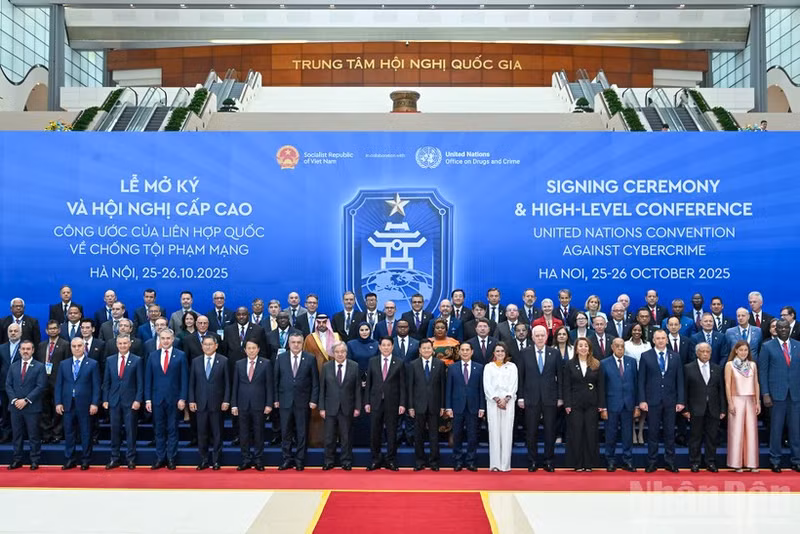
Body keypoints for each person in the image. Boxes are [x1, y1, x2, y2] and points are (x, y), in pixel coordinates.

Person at [638, 329, 684, 472]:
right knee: (652, 432)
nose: (660, 340)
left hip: (670, 400)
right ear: (653, 340)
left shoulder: (675, 357)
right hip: (652, 400)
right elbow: (641, 381)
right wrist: (642, 400)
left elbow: (680, 380)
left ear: (667, 340)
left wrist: (681, 400)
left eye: (663, 338)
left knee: (670, 432)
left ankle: (669, 461)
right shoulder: (646, 356)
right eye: (657, 338)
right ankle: (652, 461)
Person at [518, 325, 562, 472]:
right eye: (537, 335)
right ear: (532, 337)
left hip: (550, 398)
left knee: (550, 431)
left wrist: (560, 397)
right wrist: (521, 397)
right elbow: (520, 377)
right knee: (531, 432)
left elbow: (560, 377)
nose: (540, 338)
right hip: (531, 398)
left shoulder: (554, 353)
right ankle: (532, 461)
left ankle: (549, 460)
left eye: (542, 335)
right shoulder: (524, 353)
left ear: (547, 336)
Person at [759, 319, 800, 472]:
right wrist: (765, 393)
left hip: (796, 395)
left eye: (785, 327)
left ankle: (797, 460)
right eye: (779, 327)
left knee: (796, 430)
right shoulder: (767, 346)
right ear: (776, 329)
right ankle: (775, 459)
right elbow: (763, 371)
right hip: (776, 395)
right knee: (776, 429)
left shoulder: (798, 345)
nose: (783, 330)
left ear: (789, 329)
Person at [274, 332, 319, 471]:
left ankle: (300, 460)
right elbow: (275, 380)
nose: (296, 345)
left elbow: (315, 382)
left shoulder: (310, 358)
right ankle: (287, 459)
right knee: (285, 432)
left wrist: (313, 400)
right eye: (293, 342)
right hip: (284, 401)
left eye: (299, 342)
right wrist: (275, 399)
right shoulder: (281, 358)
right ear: (289, 343)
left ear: (302, 343)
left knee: (301, 432)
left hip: (303, 402)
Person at [145, 329, 188, 470]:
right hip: (156, 399)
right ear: (159, 338)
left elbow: (184, 379)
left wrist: (183, 398)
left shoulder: (180, 355)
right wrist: (147, 400)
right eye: (163, 338)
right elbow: (148, 379)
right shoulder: (152, 356)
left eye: (168, 338)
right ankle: (160, 457)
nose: (165, 341)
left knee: (172, 429)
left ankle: (171, 458)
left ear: (173, 338)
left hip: (174, 400)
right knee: (158, 430)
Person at [55, 338, 101, 470]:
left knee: (86, 432)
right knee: (69, 432)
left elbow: (96, 386)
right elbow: (59, 385)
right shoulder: (64, 364)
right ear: (71, 348)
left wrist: (94, 403)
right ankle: (70, 459)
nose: (76, 348)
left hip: (85, 404)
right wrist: (58, 402)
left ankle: (86, 459)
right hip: (68, 404)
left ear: (84, 347)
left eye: (79, 346)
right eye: (74, 346)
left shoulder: (92, 364)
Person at [563, 338, 605, 471]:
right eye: (580, 346)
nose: (583, 348)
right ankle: (577, 464)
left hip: (592, 404)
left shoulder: (596, 364)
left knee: (590, 433)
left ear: (589, 348)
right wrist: (567, 404)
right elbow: (566, 386)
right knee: (576, 433)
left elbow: (601, 386)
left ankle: (589, 464)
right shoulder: (570, 364)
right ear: (576, 348)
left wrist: (601, 404)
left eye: (585, 346)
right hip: (575, 404)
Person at [683, 342, 726, 472]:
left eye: (708, 351)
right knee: (695, 437)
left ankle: (710, 462)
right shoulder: (688, 368)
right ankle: (694, 462)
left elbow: (721, 391)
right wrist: (685, 409)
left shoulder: (717, 368)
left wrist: (723, 409)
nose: (705, 354)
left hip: (713, 408)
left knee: (712, 437)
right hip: (696, 408)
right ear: (697, 353)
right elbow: (685, 390)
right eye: (702, 351)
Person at [188, 336, 230, 470]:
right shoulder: (196, 361)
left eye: (210, 344)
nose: (208, 347)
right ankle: (204, 460)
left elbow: (227, 383)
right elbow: (192, 383)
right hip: (200, 403)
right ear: (202, 346)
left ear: (216, 346)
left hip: (217, 403)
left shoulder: (223, 361)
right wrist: (192, 400)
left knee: (217, 433)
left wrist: (226, 400)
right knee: (202, 433)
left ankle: (216, 460)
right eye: (205, 344)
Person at [365, 336, 406, 470]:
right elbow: (369, 384)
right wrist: (367, 402)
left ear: (393, 347)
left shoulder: (399, 362)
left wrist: (402, 403)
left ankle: (390, 459)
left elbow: (402, 385)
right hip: (375, 402)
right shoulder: (372, 361)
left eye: (389, 345)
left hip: (392, 403)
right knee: (374, 432)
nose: (386, 347)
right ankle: (375, 459)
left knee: (392, 432)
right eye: (384, 345)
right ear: (379, 347)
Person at [102, 335, 143, 470]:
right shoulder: (110, 360)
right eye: (120, 343)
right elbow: (106, 382)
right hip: (114, 401)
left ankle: (130, 459)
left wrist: (138, 399)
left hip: (130, 401)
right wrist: (105, 399)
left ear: (129, 344)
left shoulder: (137, 360)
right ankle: (115, 458)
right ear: (116, 344)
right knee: (115, 430)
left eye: (125, 343)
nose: (123, 346)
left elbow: (140, 383)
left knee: (131, 431)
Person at [231, 340, 273, 471]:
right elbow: (235, 385)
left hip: (259, 405)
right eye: (248, 348)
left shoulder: (266, 364)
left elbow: (269, 386)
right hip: (242, 404)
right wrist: (234, 404)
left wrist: (269, 404)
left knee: (259, 433)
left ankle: (259, 459)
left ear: (258, 349)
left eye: (254, 348)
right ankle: (246, 459)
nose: (251, 350)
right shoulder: (239, 364)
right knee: (243, 433)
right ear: (245, 350)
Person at [5, 340, 47, 470]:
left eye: (28, 349)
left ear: (33, 350)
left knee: (33, 435)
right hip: (15, 407)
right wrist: (15, 400)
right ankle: (17, 459)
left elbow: (41, 386)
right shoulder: (13, 366)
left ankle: (34, 460)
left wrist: (26, 400)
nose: (25, 351)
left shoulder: (39, 366)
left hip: (32, 407)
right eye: (23, 349)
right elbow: (8, 385)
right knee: (17, 435)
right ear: (19, 350)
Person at [319, 342, 361, 470]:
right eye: (337, 352)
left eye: (342, 351)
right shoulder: (326, 367)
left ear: (346, 353)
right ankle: (328, 461)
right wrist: (321, 407)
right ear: (333, 353)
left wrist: (357, 407)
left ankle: (346, 461)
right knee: (329, 437)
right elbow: (322, 389)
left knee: (346, 437)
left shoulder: (354, 366)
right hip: (330, 407)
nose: (340, 354)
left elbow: (357, 389)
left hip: (347, 407)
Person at [407, 338, 446, 471]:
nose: (426, 350)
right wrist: (410, 406)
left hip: (435, 405)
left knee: (434, 435)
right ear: (419, 350)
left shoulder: (440, 364)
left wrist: (442, 406)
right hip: (418, 405)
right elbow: (410, 387)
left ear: (433, 350)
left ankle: (434, 462)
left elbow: (442, 387)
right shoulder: (413, 365)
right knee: (418, 435)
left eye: (429, 348)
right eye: (424, 348)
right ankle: (419, 461)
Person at [446, 342, 485, 471]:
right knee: (457, 435)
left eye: (467, 350)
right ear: (459, 352)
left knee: (472, 435)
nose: (465, 352)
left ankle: (471, 461)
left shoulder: (479, 368)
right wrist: (448, 407)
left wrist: (482, 407)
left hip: (473, 407)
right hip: (457, 406)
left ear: (472, 352)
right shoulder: (452, 368)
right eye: (462, 350)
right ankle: (457, 461)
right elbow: (449, 389)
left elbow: (481, 389)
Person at [303, 314, 341, 447]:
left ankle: (334, 440)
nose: (321, 325)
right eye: (319, 322)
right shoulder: (309, 338)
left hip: (333, 379)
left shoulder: (336, 337)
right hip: (315, 379)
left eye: (324, 322)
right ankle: (316, 441)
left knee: (333, 410)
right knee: (316, 411)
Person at [602, 338, 638, 472]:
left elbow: (636, 384)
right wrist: (603, 407)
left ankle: (627, 460)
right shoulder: (604, 363)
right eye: (617, 346)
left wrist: (636, 406)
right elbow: (602, 387)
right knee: (610, 434)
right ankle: (610, 460)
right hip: (611, 405)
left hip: (628, 405)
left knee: (627, 435)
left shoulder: (632, 362)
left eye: (622, 346)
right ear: (612, 347)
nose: (620, 348)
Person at [725, 340, 761, 472]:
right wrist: (730, 403)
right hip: (736, 399)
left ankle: (751, 463)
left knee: (751, 432)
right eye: (741, 350)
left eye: (746, 350)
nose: (743, 352)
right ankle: (736, 463)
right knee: (736, 432)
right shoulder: (730, 365)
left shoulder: (752, 365)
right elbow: (728, 385)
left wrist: (758, 402)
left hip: (750, 400)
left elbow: (756, 383)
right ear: (735, 351)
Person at [484, 342, 517, 472]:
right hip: (493, 403)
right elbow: (487, 385)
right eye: (497, 351)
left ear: (506, 353)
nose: (500, 353)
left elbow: (514, 384)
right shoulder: (489, 367)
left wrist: (506, 399)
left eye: (502, 351)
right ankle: (495, 464)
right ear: (493, 353)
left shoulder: (512, 367)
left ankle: (505, 465)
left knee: (507, 432)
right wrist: (497, 399)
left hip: (508, 403)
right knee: (494, 432)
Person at [37, 319, 69, 444]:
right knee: (44, 409)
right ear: (46, 331)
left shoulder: (65, 344)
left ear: (59, 330)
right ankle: (46, 434)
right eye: (50, 329)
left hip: (58, 381)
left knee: (58, 409)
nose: (53, 330)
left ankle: (57, 433)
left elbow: (67, 364)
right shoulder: (41, 345)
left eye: (55, 328)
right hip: (43, 381)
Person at [0, 323, 22, 443]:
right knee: (4, 411)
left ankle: (19, 435)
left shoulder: (25, 347)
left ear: (20, 333)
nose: (13, 333)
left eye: (15, 331)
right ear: (7, 333)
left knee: (19, 411)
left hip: (20, 385)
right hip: (4, 385)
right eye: (11, 331)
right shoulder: (1, 348)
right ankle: (5, 434)